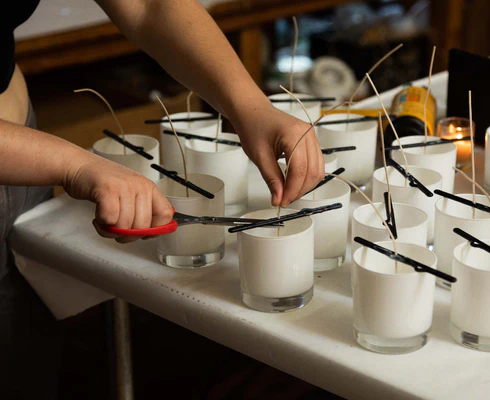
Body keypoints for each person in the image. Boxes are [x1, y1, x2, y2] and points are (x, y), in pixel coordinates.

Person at [0, 1, 324, 398]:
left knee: (24, 342)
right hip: (25, 155)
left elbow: (150, 6)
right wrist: (73, 164)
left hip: (22, 142)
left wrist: (251, 106)